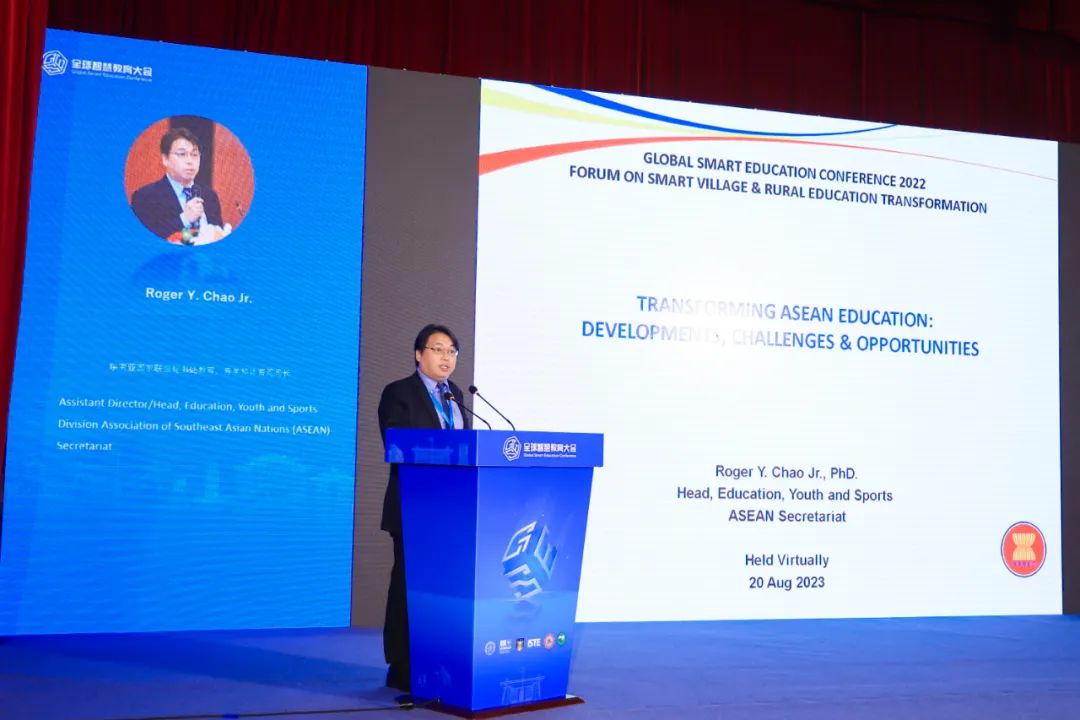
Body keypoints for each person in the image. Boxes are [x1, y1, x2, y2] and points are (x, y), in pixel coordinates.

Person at [377, 324, 471, 694]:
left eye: (452, 351)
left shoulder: (456, 395)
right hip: (413, 507)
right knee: (408, 586)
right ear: (419, 354)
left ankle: (437, 659)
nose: (446, 358)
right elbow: (396, 444)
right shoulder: (398, 392)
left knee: (441, 589)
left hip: (450, 511)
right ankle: (401, 665)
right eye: (438, 349)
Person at [131, 127, 224, 241]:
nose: (190, 161)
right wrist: (184, 219)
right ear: (165, 159)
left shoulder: (210, 195)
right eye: (182, 154)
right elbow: (143, 240)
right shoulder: (145, 197)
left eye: (194, 154)